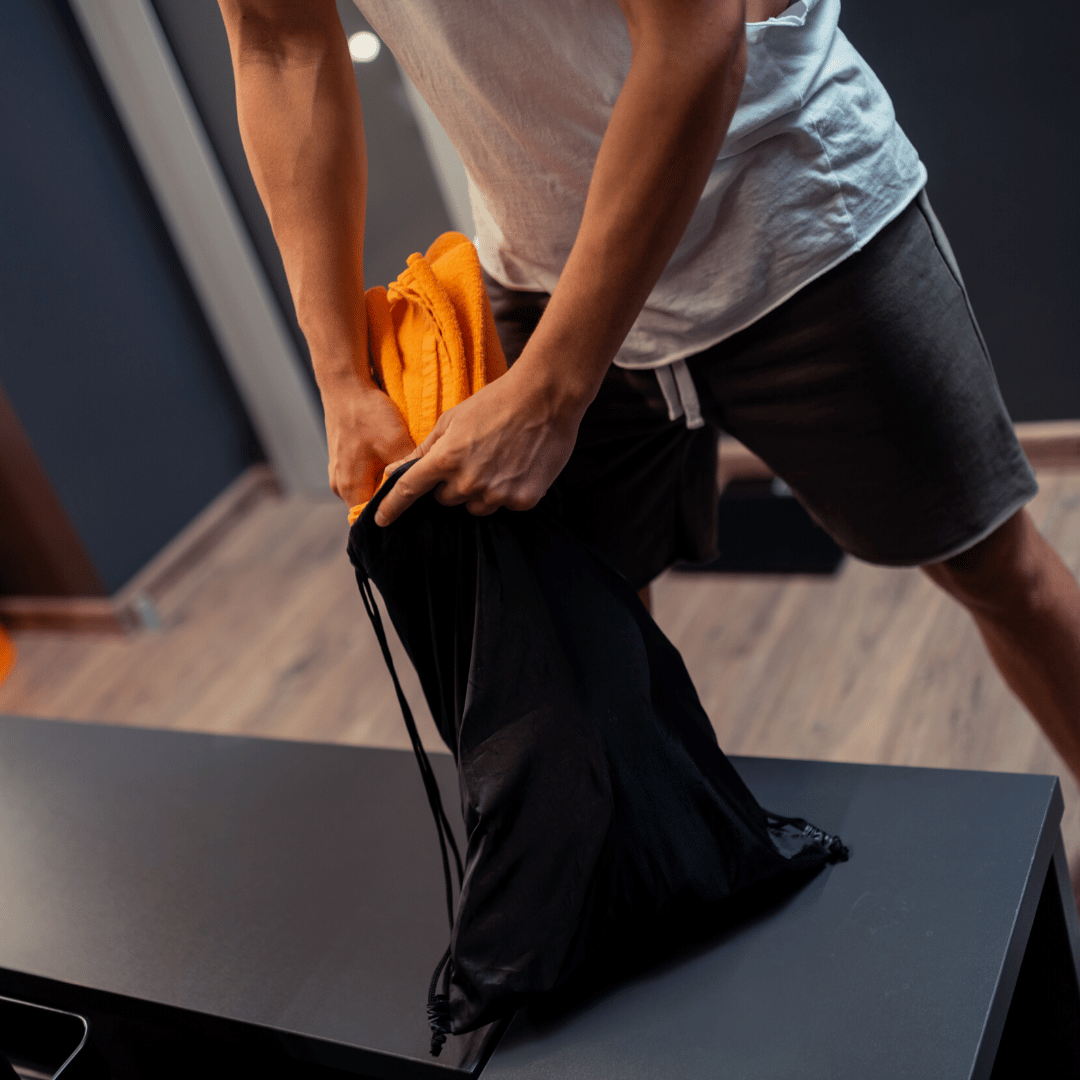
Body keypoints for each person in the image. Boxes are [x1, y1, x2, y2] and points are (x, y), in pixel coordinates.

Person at [216, 0, 1080, 821]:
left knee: (995, 569)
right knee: (594, 627)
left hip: (789, 219)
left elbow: (696, 41)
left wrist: (553, 393)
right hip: (542, 259)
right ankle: (672, 885)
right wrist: (339, 377)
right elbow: (277, 43)